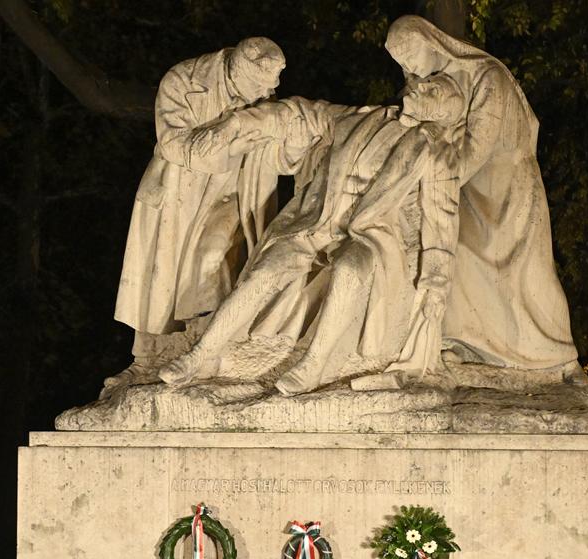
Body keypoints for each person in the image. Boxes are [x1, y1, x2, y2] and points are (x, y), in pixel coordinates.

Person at [157, 72, 468, 395]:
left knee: (349, 269)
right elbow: (295, 113)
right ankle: (203, 354)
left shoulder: (438, 153)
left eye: (433, 90)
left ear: (443, 111)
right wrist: (237, 125)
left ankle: (315, 363)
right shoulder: (355, 118)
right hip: (316, 224)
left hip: (369, 236)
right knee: (267, 270)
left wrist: (436, 283)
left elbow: (441, 220)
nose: (419, 85)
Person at [383, 16, 579, 373]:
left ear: (431, 41)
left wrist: (430, 177)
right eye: (400, 61)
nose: (408, 66)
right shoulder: (438, 84)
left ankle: (559, 355)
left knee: (529, 273)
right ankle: (467, 342)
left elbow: (480, 143)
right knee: (460, 256)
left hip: (508, 187)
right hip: (469, 189)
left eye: (409, 54)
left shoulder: (488, 76)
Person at [112, 37, 286, 375]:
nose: (265, 96)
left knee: (215, 258)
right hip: (181, 190)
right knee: (161, 281)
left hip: (232, 192)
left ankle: (207, 348)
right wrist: (229, 137)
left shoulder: (261, 95)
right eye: (260, 88)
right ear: (240, 71)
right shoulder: (182, 80)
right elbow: (174, 143)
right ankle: (150, 359)